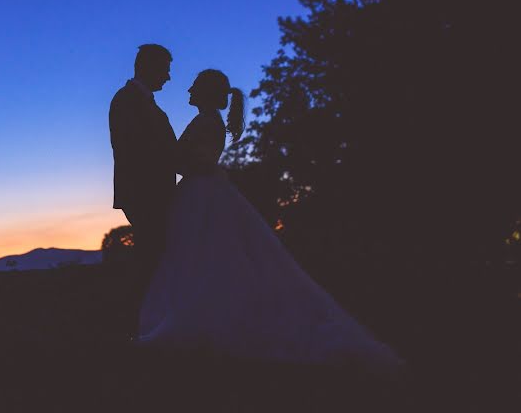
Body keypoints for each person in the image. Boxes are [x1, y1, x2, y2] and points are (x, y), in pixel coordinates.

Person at [138, 69, 403, 371]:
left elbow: (201, 161)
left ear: (206, 93)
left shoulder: (205, 121)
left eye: (194, 87)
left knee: (201, 258)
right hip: (204, 192)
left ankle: (201, 322)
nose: (188, 91)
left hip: (201, 194)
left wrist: (170, 157)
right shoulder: (211, 121)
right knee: (206, 258)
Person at [109, 44, 177, 297]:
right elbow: (135, 149)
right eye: (165, 70)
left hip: (152, 193)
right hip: (146, 194)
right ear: (150, 67)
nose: (168, 77)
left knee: (156, 258)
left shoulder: (140, 101)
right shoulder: (127, 100)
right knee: (152, 260)